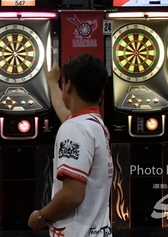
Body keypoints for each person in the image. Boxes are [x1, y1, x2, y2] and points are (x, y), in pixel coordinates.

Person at [28, 53, 112, 237]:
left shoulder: (74, 128)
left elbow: (72, 195)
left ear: (69, 86)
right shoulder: (94, 124)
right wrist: (52, 81)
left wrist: (40, 217)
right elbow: (63, 109)